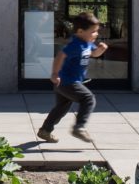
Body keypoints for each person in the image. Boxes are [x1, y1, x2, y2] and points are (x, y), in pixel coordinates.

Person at [37, 11, 108, 144]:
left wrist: (100, 50)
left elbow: (94, 54)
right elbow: (60, 56)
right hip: (67, 81)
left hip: (66, 83)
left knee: (61, 108)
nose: (96, 34)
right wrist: (55, 73)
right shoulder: (75, 45)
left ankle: (45, 130)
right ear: (80, 31)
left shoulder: (87, 43)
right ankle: (79, 127)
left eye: (96, 31)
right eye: (93, 31)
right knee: (88, 98)